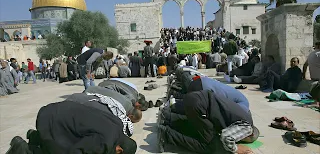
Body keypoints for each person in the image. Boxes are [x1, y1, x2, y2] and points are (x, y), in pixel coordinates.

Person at [6, 100, 137, 154]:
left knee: (71, 140)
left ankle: (35, 136)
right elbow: (76, 151)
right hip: (50, 120)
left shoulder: (117, 124)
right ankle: (23, 149)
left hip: (57, 110)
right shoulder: (105, 142)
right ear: (119, 151)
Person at [159, 90, 257, 154]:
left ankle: (169, 121)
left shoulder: (245, 116)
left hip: (196, 98)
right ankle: (167, 135)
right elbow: (225, 137)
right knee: (212, 146)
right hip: (199, 106)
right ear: (249, 135)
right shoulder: (247, 128)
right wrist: (237, 149)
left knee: (203, 131)